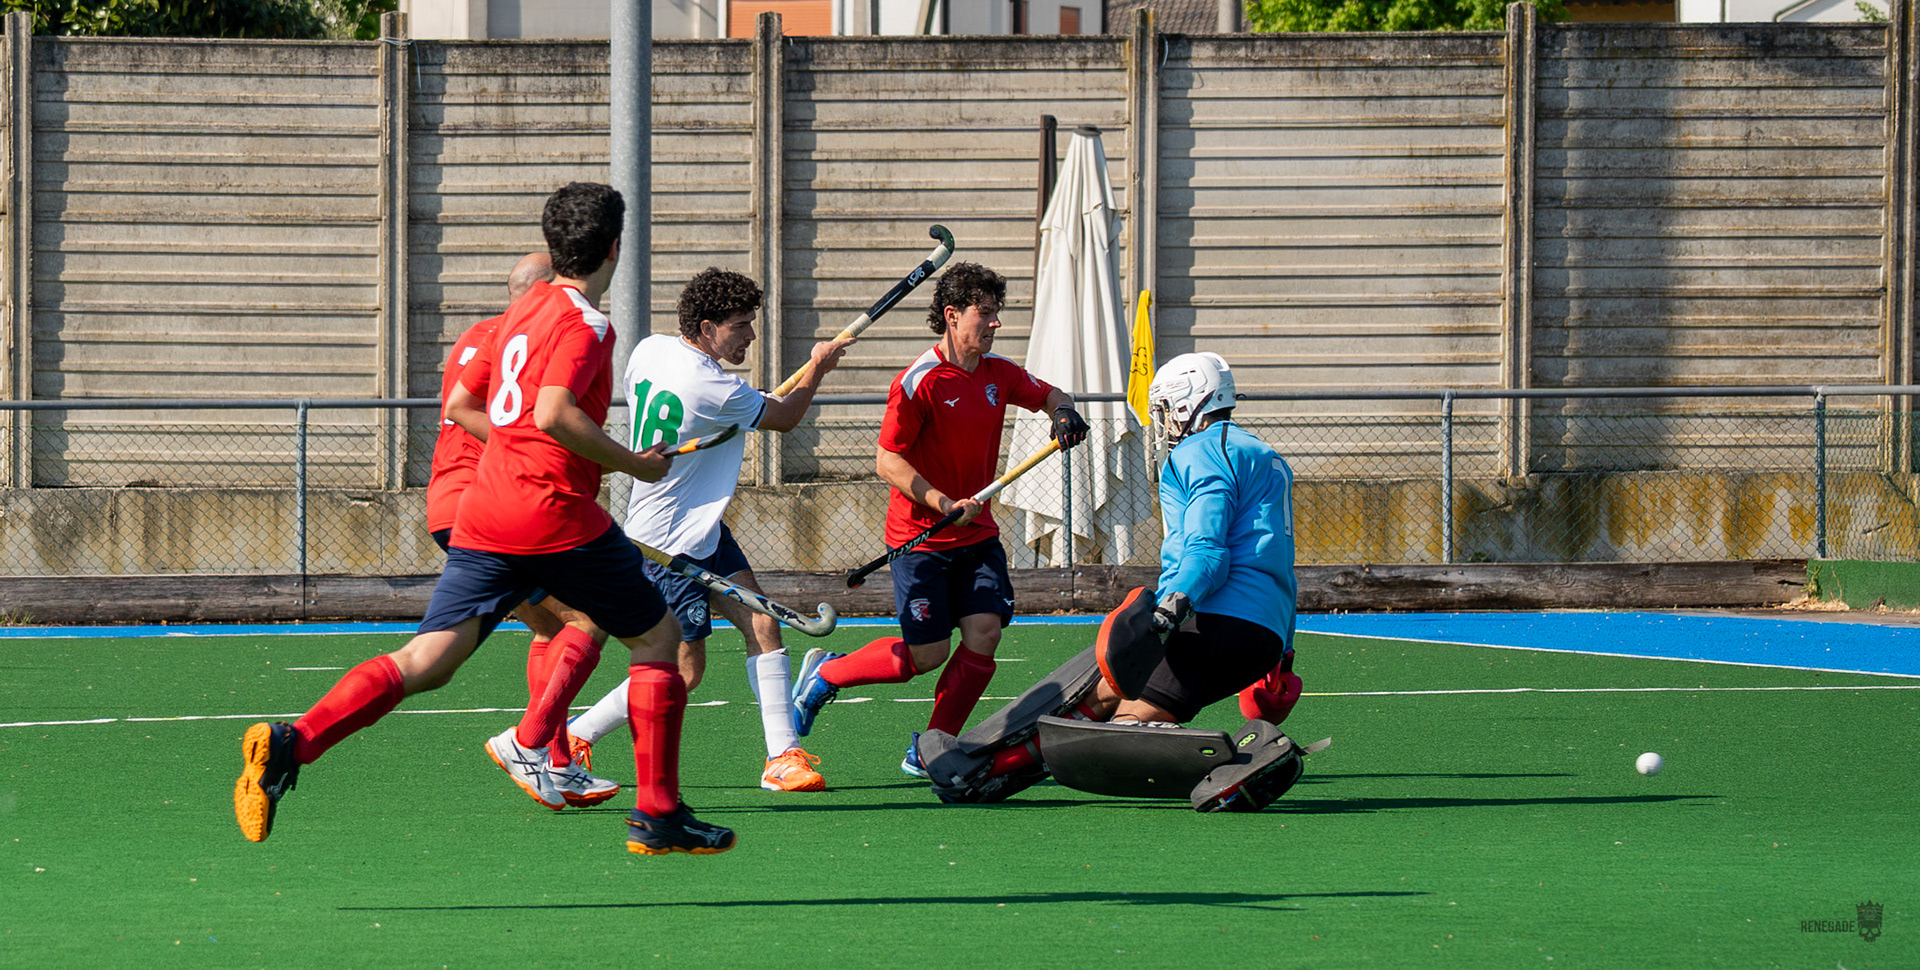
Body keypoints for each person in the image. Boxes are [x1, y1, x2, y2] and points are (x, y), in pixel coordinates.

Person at [234, 182, 736, 856]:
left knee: (428, 660)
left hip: (486, 509)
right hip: (553, 513)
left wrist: (519, 450)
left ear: (555, 243)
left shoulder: (520, 311)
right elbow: (555, 413)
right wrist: (633, 464)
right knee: (658, 638)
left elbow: (466, 403)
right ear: (616, 247)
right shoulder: (588, 324)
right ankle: (658, 813)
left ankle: (293, 743)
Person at [916, 351, 1306, 810]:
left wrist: (1171, 606)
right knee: (1123, 709)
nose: (1162, 421)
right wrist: (1283, 655)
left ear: (1188, 402)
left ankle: (978, 766)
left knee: (1104, 695)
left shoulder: (1199, 452)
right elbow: (1279, 564)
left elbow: (1207, 548)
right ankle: (989, 767)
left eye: (1164, 409)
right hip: (1263, 635)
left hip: (1212, 616)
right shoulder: (1265, 455)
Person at [559, 267, 855, 793]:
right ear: (706, 327)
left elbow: (720, 404)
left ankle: (782, 757)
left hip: (704, 529)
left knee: (763, 624)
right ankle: (577, 735)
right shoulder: (715, 388)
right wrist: (817, 367)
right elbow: (786, 417)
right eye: (740, 326)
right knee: (684, 671)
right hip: (668, 543)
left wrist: (744, 402)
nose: (751, 336)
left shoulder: (651, 350)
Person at [788, 261, 1089, 774]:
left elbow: (1050, 394)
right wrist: (944, 504)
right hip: (922, 537)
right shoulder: (917, 381)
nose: (995, 323)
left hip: (977, 535)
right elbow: (888, 460)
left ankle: (932, 746)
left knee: (985, 634)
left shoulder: (999, 373)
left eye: (996, 313)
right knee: (924, 656)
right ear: (952, 315)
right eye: (984, 313)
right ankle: (827, 675)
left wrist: (1063, 412)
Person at [430, 252, 619, 809]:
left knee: (549, 629)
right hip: (498, 507)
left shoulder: (477, 335)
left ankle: (554, 764)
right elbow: (542, 422)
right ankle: (530, 745)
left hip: (450, 505)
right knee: (590, 619)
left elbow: (466, 407)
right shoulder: (535, 338)